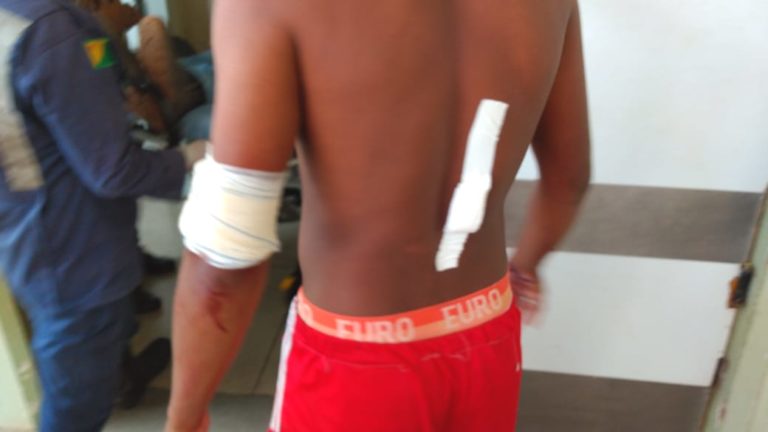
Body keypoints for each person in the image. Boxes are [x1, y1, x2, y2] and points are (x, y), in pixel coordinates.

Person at [167, 0, 590, 431]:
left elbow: (226, 255)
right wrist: (527, 264)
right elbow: (570, 180)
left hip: (356, 359)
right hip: (486, 333)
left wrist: (185, 416)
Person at [0, 0, 205, 431]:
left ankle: (117, 373)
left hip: (29, 238)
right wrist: (190, 159)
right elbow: (113, 171)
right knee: (74, 409)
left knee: (88, 348)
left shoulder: (19, 23)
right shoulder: (52, 33)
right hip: (76, 259)